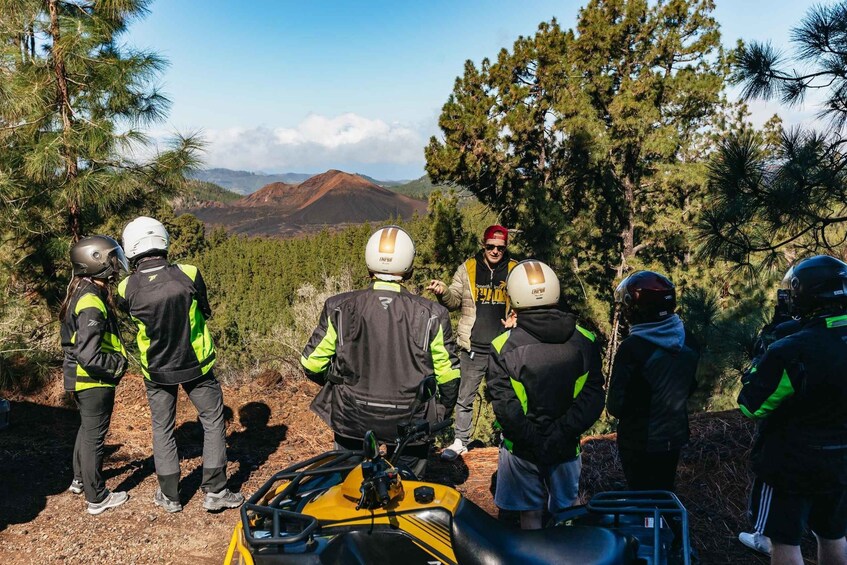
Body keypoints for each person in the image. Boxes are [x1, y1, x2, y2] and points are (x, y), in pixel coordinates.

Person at [301, 225, 460, 478]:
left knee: (348, 487)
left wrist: (338, 386)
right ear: (408, 266)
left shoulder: (339, 307)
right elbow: (449, 376)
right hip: (411, 419)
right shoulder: (432, 313)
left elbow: (311, 364)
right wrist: (440, 411)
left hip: (351, 416)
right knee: (407, 491)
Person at [118, 216, 243, 513]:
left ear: (131, 247)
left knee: (162, 428)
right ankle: (215, 491)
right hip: (195, 364)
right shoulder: (188, 272)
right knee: (212, 421)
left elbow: (129, 317)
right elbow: (205, 309)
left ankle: (170, 495)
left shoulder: (126, 286)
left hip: (156, 368)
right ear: (163, 241)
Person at [738, 255, 847, 565]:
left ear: (806, 294)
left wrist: (760, 366)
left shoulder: (791, 349)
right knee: (833, 534)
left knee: (785, 541)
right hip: (841, 460)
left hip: (792, 464)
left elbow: (751, 407)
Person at [487, 260, 605, 529]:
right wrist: (559, 434)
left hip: (521, 449)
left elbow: (505, 405)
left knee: (529, 515)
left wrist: (534, 440)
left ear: (515, 297)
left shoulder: (503, 346)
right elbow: (592, 398)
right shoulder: (585, 340)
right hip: (566, 446)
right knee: (566, 512)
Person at [427, 225, 518, 461]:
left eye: (500, 247)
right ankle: (461, 441)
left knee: (505, 397)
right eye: (491, 247)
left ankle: (507, 438)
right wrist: (443, 292)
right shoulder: (467, 268)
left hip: (504, 347)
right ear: (483, 245)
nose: (495, 251)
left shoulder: (515, 269)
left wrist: (517, 317)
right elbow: (455, 300)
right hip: (473, 346)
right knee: (464, 397)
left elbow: (523, 302)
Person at [607, 271, 699, 493]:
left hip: (640, 440)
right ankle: (667, 526)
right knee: (665, 492)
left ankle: (650, 527)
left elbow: (616, 406)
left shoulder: (633, 348)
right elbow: (691, 386)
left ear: (638, 308)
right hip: (674, 435)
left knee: (643, 500)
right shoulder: (688, 338)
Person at [60, 235, 130, 515]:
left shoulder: (81, 291)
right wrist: (116, 365)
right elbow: (88, 353)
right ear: (96, 261)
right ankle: (97, 497)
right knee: (94, 437)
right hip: (93, 381)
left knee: (86, 431)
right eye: (112, 258)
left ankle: (80, 480)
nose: (116, 264)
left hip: (80, 379)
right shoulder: (91, 300)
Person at [739, 288, 801, 556]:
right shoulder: (836, 335)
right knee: (832, 532)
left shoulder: (786, 338)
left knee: (781, 536)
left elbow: (752, 404)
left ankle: (764, 537)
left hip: (789, 441)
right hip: (835, 444)